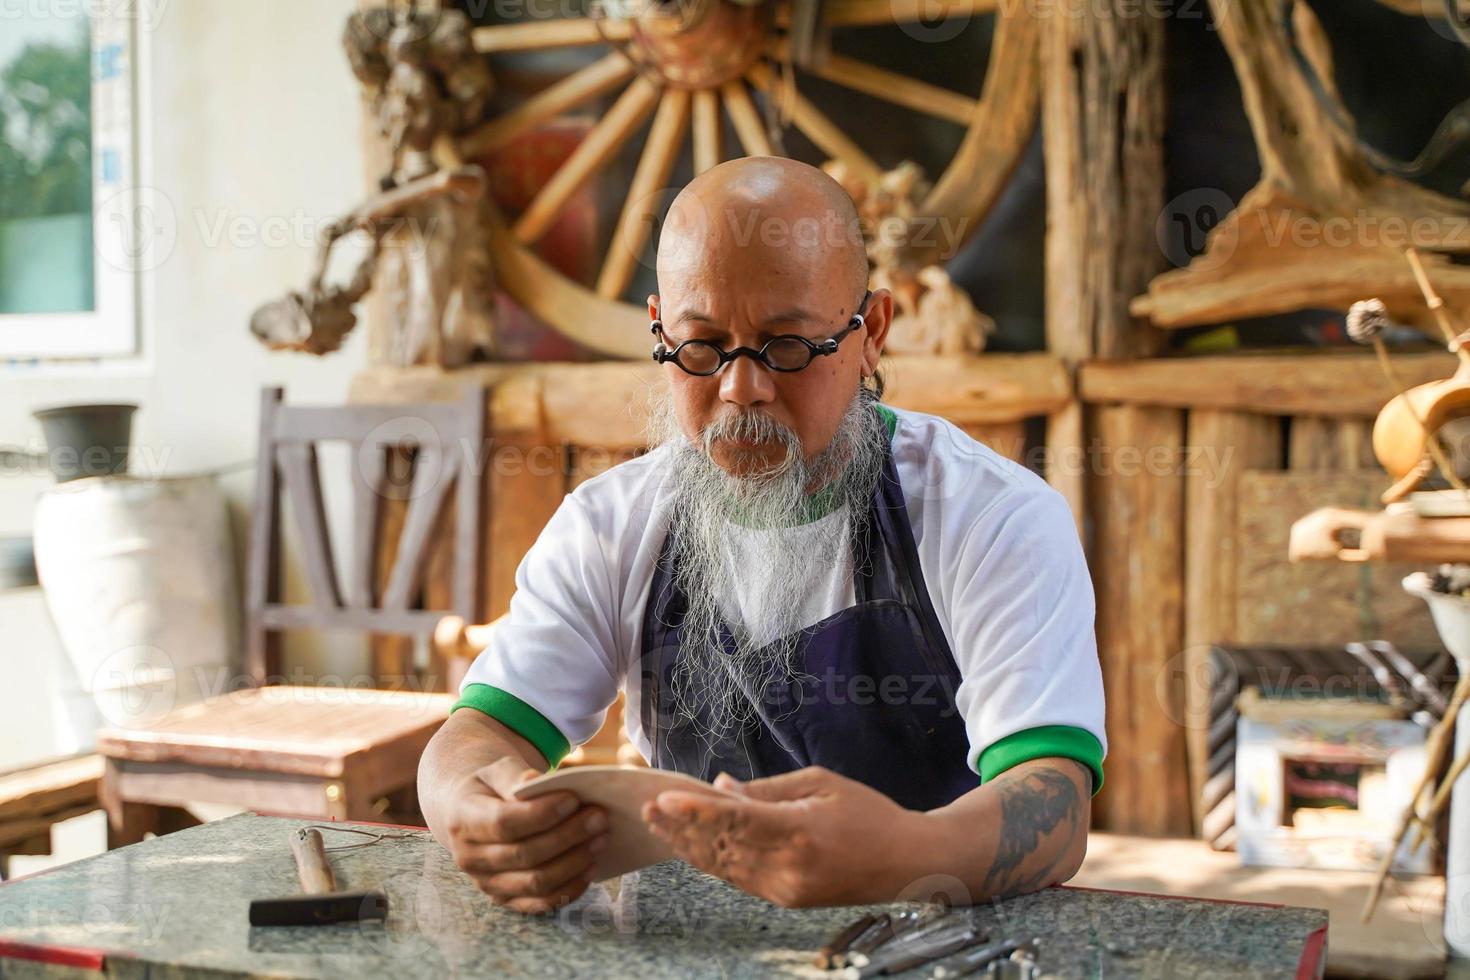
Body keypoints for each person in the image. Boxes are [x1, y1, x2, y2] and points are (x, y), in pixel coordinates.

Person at [418, 156, 1105, 915]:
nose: (742, 388)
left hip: (937, 935)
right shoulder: (609, 525)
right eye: (702, 347)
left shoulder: (991, 517)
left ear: (870, 332)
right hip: (689, 939)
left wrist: (897, 858)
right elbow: (481, 732)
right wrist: (472, 810)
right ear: (659, 331)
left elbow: (1056, 804)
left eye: (786, 345)